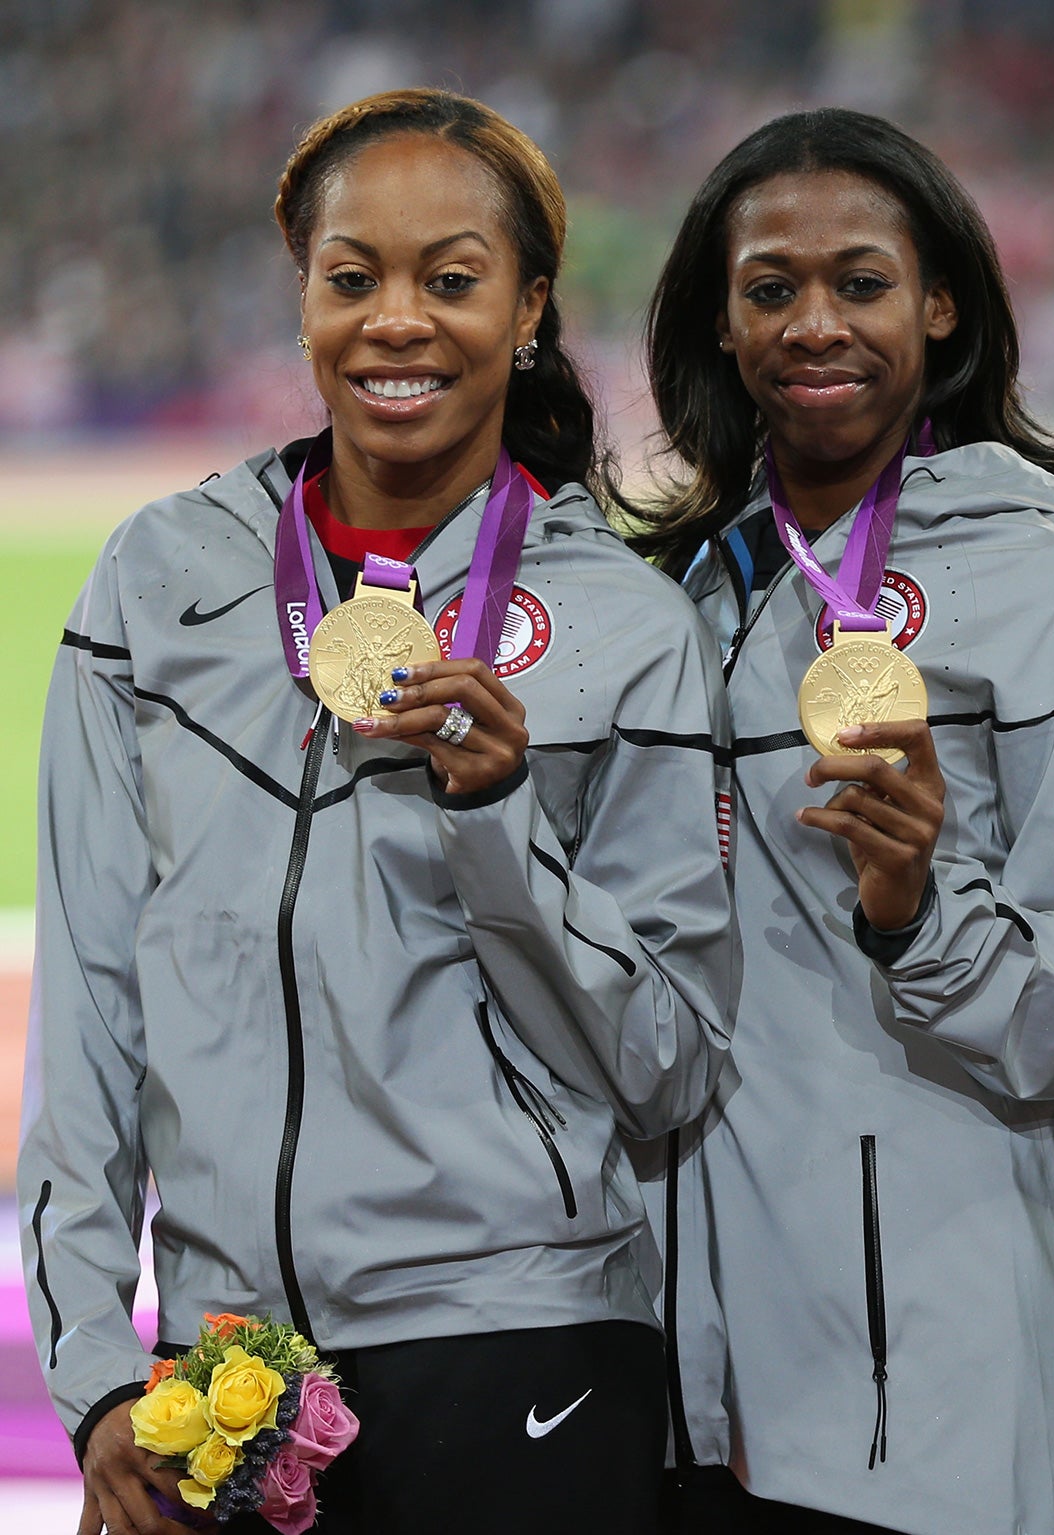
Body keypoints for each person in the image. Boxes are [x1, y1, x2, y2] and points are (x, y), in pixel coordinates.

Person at [20, 89, 736, 1535]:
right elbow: (92, 1005)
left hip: (526, 1347)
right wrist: (98, 1369)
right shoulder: (161, 585)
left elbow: (670, 1062)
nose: (396, 320)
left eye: (451, 279)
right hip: (223, 1376)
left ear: (531, 308)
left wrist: (501, 831)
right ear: (304, 295)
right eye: (353, 278)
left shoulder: (627, 628)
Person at [631, 108, 1054, 1535]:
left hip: (939, 1371)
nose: (816, 325)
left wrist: (922, 911)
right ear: (722, 319)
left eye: (861, 284)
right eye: (771, 289)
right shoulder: (690, 594)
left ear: (941, 306)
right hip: (701, 1360)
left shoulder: (1052, 594)